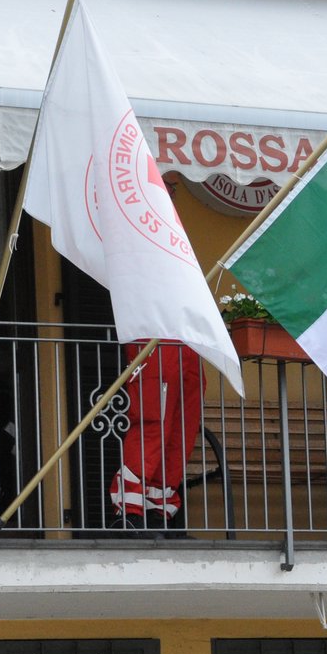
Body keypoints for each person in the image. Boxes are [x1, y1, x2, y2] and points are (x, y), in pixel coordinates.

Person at [108, 178, 204, 536]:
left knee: (180, 428)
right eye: (167, 188)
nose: (173, 195)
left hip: (184, 338)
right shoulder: (134, 227)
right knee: (152, 423)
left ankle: (159, 511)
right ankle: (129, 510)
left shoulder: (170, 227)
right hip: (152, 335)